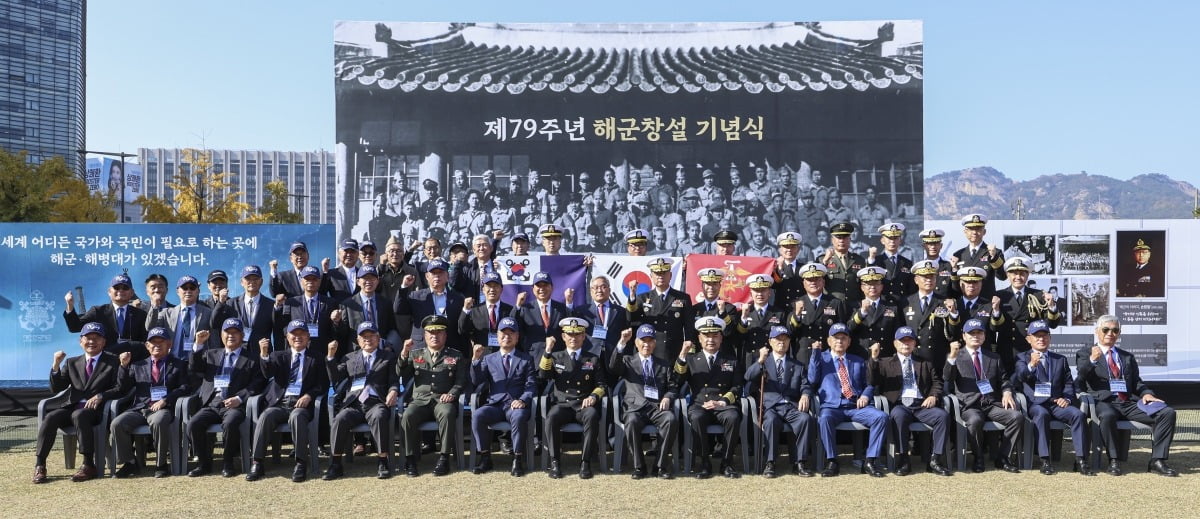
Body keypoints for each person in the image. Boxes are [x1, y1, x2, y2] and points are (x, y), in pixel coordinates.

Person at [1075, 315, 1178, 477]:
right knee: (1108, 415)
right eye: (1106, 329)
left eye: (1115, 330)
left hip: (1127, 402)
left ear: (1119, 333)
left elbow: (1136, 382)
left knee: (1167, 413)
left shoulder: (1126, 357)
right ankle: (1114, 460)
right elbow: (1080, 379)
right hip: (1102, 401)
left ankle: (1158, 460)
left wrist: (1146, 394)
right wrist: (1092, 361)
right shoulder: (1084, 354)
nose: (1110, 333)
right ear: (1097, 332)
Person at [32, 322, 122, 484]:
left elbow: (120, 387)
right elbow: (56, 388)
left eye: (96, 338)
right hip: (72, 406)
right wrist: (56, 365)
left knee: (79, 415)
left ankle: (88, 464)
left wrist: (101, 395)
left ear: (104, 342)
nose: (92, 342)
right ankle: (40, 465)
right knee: (51, 417)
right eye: (88, 338)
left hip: (97, 411)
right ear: (81, 341)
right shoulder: (72, 362)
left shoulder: (113, 361)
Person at [247, 320, 328, 482]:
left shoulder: (317, 357)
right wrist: (264, 354)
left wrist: (309, 396)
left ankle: (300, 463)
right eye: (294, 334)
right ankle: (257, 462)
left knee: (297, 417)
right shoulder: (279, 356)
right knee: (266, 416)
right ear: (287, 337)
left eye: (302, 334)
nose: (298, 337)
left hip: (302, 405)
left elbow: (323, 384)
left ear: (308, 337)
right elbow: (267, 373)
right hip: (280, 403)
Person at [187, 318, 266, 478]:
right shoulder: (210, 354)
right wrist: (199, 345)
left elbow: (258, 383)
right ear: (221, 335)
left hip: (234, 405)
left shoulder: (251, 358)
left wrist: (240, 398)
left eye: (235, 332)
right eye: (227, 332)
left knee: (230, 423)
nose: (231, 335)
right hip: (212, 403)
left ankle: (228, 462)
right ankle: (203, 463)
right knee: (193, 423)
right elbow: (194, 368)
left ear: (242, 335)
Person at [1012, 320, 1093, 476]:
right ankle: (1045, 460)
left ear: (1050, 338)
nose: (1041, 339)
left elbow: (1069, 383)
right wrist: (1031, 366)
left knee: (1078, 415)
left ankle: (1081, 460)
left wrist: (1067, 399)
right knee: (1042, 415)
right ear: (1029, 339)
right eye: (1037, 336)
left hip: (1057, 403)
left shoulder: (1059, 359)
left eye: (1044, 335)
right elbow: (1020, 378)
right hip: (1035, 404)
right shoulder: (1022, 358)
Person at [868, 327, 952, 476]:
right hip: (899, 404)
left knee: (942, 416)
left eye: (909, 340)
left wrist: (933, 396)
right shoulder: (885, 362)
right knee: (899, 416)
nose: (906, 344)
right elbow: (872, 381)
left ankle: (935, 460)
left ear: (915, 344)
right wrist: (874, 359)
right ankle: (903, 459)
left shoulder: (925, 362)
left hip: (922, 405)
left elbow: (937, 383)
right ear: (895, 343)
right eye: (902, 341)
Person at [807, 323, 888, 477]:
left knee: (881, 417)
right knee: (824, 419)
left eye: (843, 338)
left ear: (849, 342)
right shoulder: (821, 358)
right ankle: (832, 461)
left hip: (855, 406)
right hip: (832, 407)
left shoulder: (857, 360)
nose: (839, 341)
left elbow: (870, 383)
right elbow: (812, 379)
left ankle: (870, 461)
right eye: (836, 338)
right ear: (829, 341)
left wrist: (865, 395)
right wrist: (815, 354)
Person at [323, 321, 400, 480]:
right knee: (340, 418)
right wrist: (331, 357)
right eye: (364, 337)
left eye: (371, 336)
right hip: (354, 404)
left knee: (379, 416)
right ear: (358, 340)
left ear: (378, 338)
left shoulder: (388, 357)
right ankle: (335, 463)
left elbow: (393, 379)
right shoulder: (349, 358)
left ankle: (382, 461)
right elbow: (336, 378)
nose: (368, 340)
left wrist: (393, 391)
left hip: (376, 402)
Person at [943, 318, 1022, 473]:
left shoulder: (993, 357)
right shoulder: (956, 356)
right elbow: (947, 377)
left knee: (1016, 417)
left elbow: (1004, 379)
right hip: (969, 405)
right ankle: (978, 457)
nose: (976, 336)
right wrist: (951, 357)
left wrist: (1006, 392)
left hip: (992, 404)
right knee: (975, 420)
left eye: (979, 333)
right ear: (964, 336)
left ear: (985, 336)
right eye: (971, 333)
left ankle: (1003, 457)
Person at [110, 327, 189, 479]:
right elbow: (123, 388)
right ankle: (130, 463)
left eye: (161, 342)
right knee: (117, 424)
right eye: (153, 342)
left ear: (169, 344)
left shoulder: (179, 364)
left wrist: (166, 400)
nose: (157, 345)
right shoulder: (137, 365)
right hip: (140, 407)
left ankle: (161, 464)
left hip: (163, 408)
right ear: (147, 346)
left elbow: (185, 387)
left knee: (159, 421)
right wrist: (124, 366)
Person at [399, 315, 469, 477]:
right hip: (420, 401)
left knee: (447, 412)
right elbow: (401, 373)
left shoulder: (455, 355)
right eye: (431, 333)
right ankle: (410, 459)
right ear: (425, 336)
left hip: (442, 400)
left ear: (445, 335)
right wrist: (404, 353)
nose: (434, 336)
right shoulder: (416, 354)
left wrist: (452, 394)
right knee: (407, 415)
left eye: (438, 333)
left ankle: (444, 458)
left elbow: (461, 381)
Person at [674, 316, 743, 479]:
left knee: (733, 417)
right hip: (700, 405)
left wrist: (722, 401)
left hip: (723, 405)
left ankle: (727, 463)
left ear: (721, 338)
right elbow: (677, 380)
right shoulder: (691, 359)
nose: (710, 340)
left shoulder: (731, 360)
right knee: (696, 417)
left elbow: (737, 387)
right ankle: (704, 462)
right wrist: (682, 355)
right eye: (706, 336)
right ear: (699, 338)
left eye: (715, 336)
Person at [608, 324, 679, 479]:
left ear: (655, 343)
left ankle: (659, 466)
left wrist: (667, 397)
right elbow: (613, 367)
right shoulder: (627, 360)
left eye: (650, 341)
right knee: (632, 421)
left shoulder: (664, 364)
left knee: (670, 419)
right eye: (643, 341)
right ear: (636, 343)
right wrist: (621, 343)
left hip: (656, 408)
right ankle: (639, 466)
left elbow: (673, 387)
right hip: (634, 407)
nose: (646, 344)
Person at [540, 317, 607, 479]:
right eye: (569, 334)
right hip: (562, 404)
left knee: (592, 415)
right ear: (563, 336)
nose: (573, 338)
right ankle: (555, 462)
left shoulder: (592, 359)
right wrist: (547, 351)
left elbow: (602, 385)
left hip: (582, 405)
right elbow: (543, 375)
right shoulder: (556, 357)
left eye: (577, 335)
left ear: (584, 336)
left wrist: (593, 396)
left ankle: (585, 462)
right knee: (551, 417)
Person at [469, 316, 537, 476]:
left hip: (515, 405)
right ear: (497, 336)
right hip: (495, 405)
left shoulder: (526, 359)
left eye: (511, 333)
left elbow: (531, 385)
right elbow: (476, 381)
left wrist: (522, 400)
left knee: (519, 416)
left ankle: (517, 460)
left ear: (517, 337)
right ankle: (485, 458)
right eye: (503, 334)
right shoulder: (488, 358)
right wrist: (475, 360)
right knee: (478, 415)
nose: (507, 337)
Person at [745, 326, 814, 477]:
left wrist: (805, 395)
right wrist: (760, 361)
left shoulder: (797, 365)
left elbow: (805, 385)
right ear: (770, 341)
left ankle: (799, 462)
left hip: (790, 406)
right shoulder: (763, 361)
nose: (781, 343)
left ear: (789, 341)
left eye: (785, 339)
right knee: (770, 422)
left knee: (805, 419)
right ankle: (770, 463)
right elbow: (748, 377)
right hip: (770, 407)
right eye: (778, 339)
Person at [994, 256, 1061, 373]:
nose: (1018, 277)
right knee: (1008, 386)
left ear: (1028, 275)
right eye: (1014, 273)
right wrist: (996, 311)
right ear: (1007, 275)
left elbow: (1052, 324)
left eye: (1022, 273)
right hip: (1007, 350)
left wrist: (1052, 307)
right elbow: (995, 327)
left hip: (1030, 351)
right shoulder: (1000, 296)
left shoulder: (1038, 295)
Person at [62, 273, 149, 361]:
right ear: (109, 292)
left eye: (125, 288)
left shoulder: (141, 314)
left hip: (135, 363)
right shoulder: (98, 312)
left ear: (132, 293)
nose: (121, 290)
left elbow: (147, 341)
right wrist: (70, 306)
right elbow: (74, 327)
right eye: (116, 287)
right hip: (107, 365)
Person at [626, 257, 695, 363]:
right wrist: (632, 296)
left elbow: (689, 326)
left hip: (672, 350)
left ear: (670, 275)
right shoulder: (642, 297)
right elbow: (631, 318)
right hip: (649, 349)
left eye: (664, 273)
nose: (661, 276)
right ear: (651, 276)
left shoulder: (683, 298)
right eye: (657, 273)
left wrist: (688, 348)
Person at [394, 259, 466, 352]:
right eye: (433, 273)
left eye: (440, 272)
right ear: (427, 276)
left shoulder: (458, 298)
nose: (437, 276)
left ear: (447, 276)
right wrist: (404, 287)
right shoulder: (416, 296)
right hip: (421, 347)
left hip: (450, 347)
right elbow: (398, 309)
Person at [787, 263, 847, 366]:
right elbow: (790, 332)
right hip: (803, 357)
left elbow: (843, 331)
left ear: (823, 282)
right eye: (809, 280)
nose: (813, 283)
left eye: (817, 279)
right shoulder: (795, 303)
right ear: (804, 283)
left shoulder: (835, 303)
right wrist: (797, 315)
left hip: (828, 356)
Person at [332, 264, 400, 354]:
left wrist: (389, 347)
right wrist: (337, 322)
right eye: (365, 278)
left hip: (380, 352)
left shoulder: (385, 303)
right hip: (356, 354)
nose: (369, 281)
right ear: (358, 282)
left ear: (377, 281)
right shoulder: (348, 304)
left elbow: (391, 329)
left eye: (372, 278)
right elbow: (343, 334)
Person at [901, 260, 959, 363]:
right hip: (913, 358)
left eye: (932, 277)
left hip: (936, 359)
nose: (929, 280)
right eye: (925, 277)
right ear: (916, 280)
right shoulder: (905, 302)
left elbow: (952, 333)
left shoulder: (944, 302)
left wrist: (953, 313)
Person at [274, 266, 336, 356]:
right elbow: (282, 326)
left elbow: (334, 331)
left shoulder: (330, 303)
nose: (311, 282)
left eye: (314, 279)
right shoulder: (291, 302)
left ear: (319, 282)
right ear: (301, 281)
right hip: (298, 351)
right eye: (307, 279)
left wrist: (337, 322)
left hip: (322, 352)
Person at [569, 276, 629, 361]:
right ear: (591, 291)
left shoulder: (620, 311)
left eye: (603, 287)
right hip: (589, 356)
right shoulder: (582, 311)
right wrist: (569, 303)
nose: (599, 290)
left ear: (609, 290)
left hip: (613, 357)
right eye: (596, 288)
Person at [159, 275, 218, 361]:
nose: (188, 291)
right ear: (177, 291)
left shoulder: (208, 313)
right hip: (172, 362)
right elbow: (150, 329)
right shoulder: (167, 313)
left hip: (198, 362)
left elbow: (214, 342)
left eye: (192, 288)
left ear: (198, 291)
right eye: (184, 288)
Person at [847, 266, 902, 359]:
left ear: (881, 286)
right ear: (862, 287)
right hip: (861, 356)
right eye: (868, 284)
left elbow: (896, 334)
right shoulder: (854, 307)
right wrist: (862, 312)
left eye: (876, 283)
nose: (872, 287)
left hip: (885, 357)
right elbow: (849, 329)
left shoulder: (892, 307)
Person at [511, 272, 570, 356]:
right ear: (533, 288)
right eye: (538, 285)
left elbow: (571, 328)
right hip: (533, 357)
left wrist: (569, 302)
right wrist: (518, 305)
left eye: (545, 285)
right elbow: (512, 325)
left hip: (557, 357)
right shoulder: (525, 309)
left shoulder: (562, 308)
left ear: (552, 287)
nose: (542, 289)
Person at [951, 214, 1005, 300]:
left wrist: (994, 257)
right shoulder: (958, 254)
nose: (974, 232)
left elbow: (1002, 276)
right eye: (971, 229)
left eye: (978, 229)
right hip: (964, 303)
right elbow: (955, 286)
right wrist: (954, 269)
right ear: (965, 232)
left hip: (986, 303)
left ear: (984, 232)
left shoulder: (994, 252)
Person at [228, 265, 276, 356]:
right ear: (242, 282)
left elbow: (277, 333)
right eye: (248, 279)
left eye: (255, 279)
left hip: (262, 353)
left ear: (261, 282)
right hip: (238, 354)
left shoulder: (271, 305)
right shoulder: (231, 304)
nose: (252, 282)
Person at [459, 272, 513, 351]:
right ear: (483, 289)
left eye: (495, 286)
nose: (492, 289)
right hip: (481, 355)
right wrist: (466, 310)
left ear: (501, 289)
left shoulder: (510, 310)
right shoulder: (474, 310)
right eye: (489, 286)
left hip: (504, 355)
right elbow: (462, 330)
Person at [868, 222, 914, 303]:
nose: (892, 241)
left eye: (895, 238)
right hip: (883, 305)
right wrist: (871, 259)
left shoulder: (907, 263)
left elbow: (911, 288)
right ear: (882, 240)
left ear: (900, 240)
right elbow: (869, 280)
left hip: (902, 306)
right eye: (889, 238)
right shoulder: (876, 261)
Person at [820, 222, 866, 303]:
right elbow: (816, 280)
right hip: (832, 305)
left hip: (854, 306)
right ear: (832, 240)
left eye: (845, 237)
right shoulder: (822, 260)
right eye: (838, 237)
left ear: (850, 239)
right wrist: (825, 261)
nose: (842, 240)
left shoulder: (859, 260)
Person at [917, 229, 957, 300]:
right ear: (923, 246)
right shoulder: (919, 268)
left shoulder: (949, 266)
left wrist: (954, 270)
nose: (933, 247)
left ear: (941, 246)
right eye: (929, 243)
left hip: (943, 308)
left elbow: (956, 291)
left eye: (936, 243)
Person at [770, 231, 808, 306]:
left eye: (793, 247)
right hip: (781, 310)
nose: (789, 250)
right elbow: (773, 286)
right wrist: (780, 269)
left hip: (800, 308)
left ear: (798, 249)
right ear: (780, 249)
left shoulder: (804, 268)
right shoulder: (774, 267)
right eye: (786, 247)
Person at [321, 239, 362, 304]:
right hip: (340, 313)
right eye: (346, 251)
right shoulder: (331, 274)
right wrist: (325, 272)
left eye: (352, 251)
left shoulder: (363, 274)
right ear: (339, 254)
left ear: (358, 254)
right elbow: (321, 294)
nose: (349, 254)